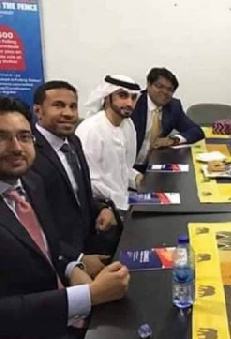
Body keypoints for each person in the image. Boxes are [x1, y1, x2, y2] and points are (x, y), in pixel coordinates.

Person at [0, 96, 130, 339]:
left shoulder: (30, 184)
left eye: (24, 136)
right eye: (2, 138)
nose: (16, 148)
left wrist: (73, 267)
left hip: (64, 312)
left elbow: (47, 248)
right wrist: (89, 296)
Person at [31, 81, 120, 271]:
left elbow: (78, 195)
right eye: (58, 105)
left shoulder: (73, 142)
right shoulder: (28, 153)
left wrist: (102, 208)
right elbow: (33, 224)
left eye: (73, 106)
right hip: (58, 261)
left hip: (88, 244)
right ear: (38, 111)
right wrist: (77, 259)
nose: (69, 113)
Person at [76, 75, 143, 212]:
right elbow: (90, 182)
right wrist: (125, 202)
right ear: (107, 98)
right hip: (103, 208)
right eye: (123, 96)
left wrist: (138, 179)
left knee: (171, 204)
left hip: (126, 198)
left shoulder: (128, 125)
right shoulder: (91, 130)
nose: (130, 103)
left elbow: (125, 167)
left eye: (133, 98)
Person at [132, 67, 205, 169]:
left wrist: (173, 140)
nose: (165, 92)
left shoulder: (173, 107)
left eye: (170, 89)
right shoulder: (133, 103)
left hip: (154, 165)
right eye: (159, 86)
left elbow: (197, 131)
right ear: (148, 84)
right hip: (128, 166)